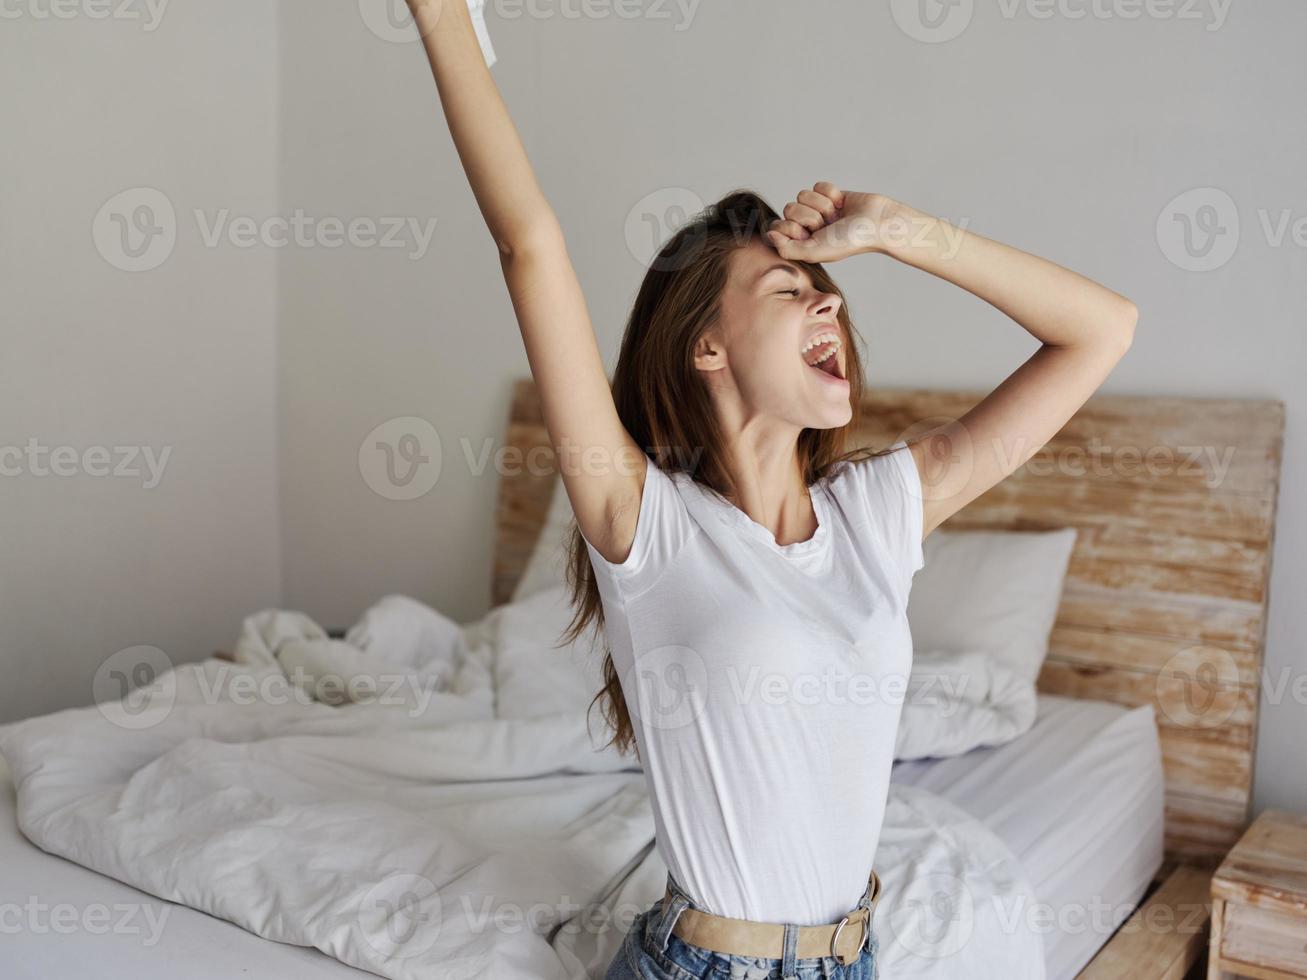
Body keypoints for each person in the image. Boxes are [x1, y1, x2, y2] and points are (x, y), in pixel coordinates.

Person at [402, 3, 1137, 977]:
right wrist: (443, 16)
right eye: (789, 289)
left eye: (826, 289)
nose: (826, 297)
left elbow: (1102, 330)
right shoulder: (645, 524)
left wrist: (900, 230)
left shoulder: (875, 515)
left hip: (849, 957)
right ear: (704, 344)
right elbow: (529, 244)